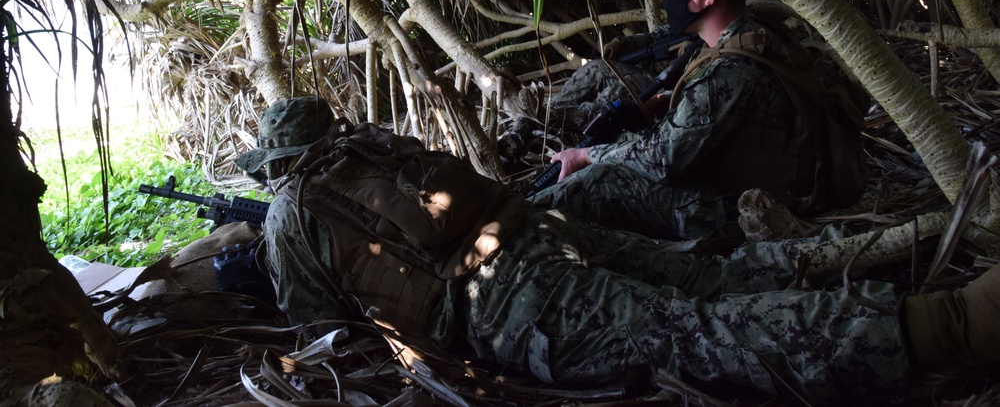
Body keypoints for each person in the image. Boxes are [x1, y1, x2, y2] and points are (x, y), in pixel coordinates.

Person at [240, 98, 1000, 404]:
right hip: (537, 228)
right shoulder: (366, 145)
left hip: (506, 298)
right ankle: (875, 255)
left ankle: (946, 324)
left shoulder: (291, 214)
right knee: (707, 278)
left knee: (690, 332)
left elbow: (319, 324)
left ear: (274, 167)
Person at [534, 0, 858, 240]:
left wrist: (586, 155)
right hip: (767, 188)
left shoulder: (732, 70)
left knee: (594, 181)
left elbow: (663, 159)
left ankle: (519, 223)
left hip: (749, 211)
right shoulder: (752, 34)